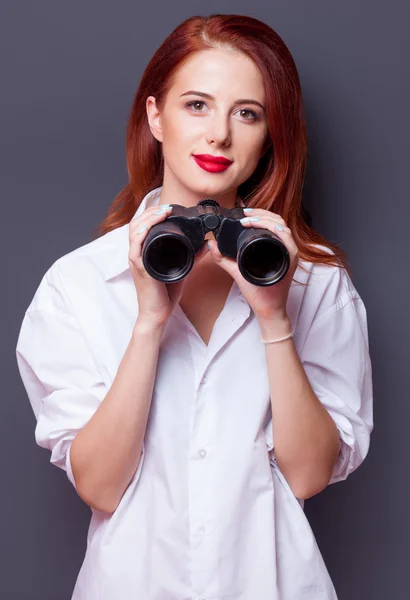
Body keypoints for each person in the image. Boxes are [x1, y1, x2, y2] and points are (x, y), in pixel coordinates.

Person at [15, 13, 373, 600]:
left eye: (247, 113)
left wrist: (275, 318)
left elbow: (308, 477)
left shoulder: (318, 283)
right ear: (156, 116)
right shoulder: (77, 285)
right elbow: (102, 487)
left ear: (270, 135)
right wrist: (150, 321)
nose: (219, 136)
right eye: (197, 105)